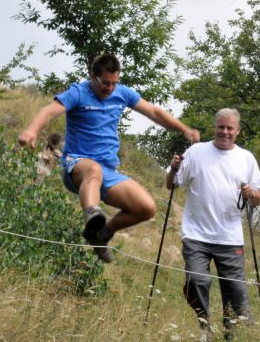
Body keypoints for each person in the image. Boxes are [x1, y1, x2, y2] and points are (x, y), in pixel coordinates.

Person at [19, 53, 200, 263]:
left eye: (115, 83)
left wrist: (184, 129)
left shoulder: (122, 93)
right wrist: (31, 131)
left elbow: (153, 111)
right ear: (92, 76)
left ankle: (101, 234)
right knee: (93, 169)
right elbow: (50, 111)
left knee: (146, 207)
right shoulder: (78, 92)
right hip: (77, 164)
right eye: (105, 83)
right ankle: (91, 214)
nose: (110, 88)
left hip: (107, 170)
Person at [166, 108, 260, 342]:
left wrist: (252, 194)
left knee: (236, 293)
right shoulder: (197, 152)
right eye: (221, 127)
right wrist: (174, 168)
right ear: (215, 127)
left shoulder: (246, 158)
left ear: (237, 131)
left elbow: (259, 196)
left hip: (230, 237)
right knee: (197, 280)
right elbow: (171, 184)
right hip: (196, 234)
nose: (225, 132)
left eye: (230, 128)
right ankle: (204, 325)